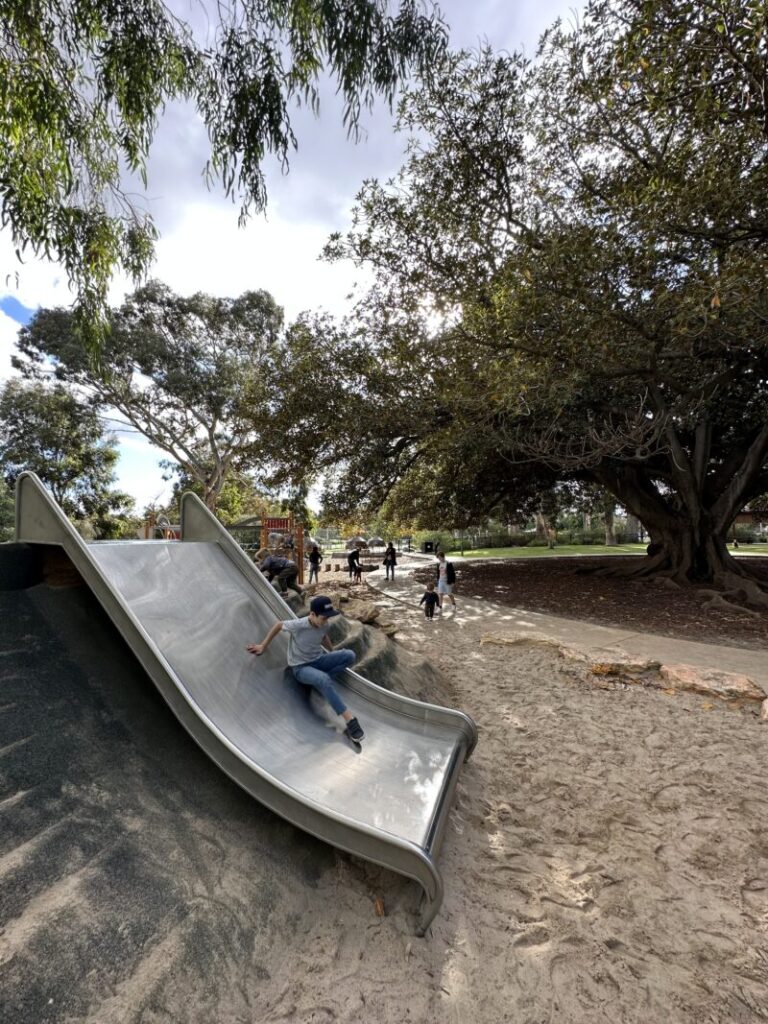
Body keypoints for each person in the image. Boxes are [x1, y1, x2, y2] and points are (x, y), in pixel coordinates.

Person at [247, 595, 365, 741]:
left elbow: (323, 636)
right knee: (323, 679)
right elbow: (278, 625)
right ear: (312, 614)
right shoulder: (299, 625)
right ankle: (350, 719)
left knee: (349, 655)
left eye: (327, 618)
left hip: (318, 660)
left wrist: (332, 652)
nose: (325, 621)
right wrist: (263, 646)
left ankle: (320, 683)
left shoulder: (324, 624)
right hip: (300, 668)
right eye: (323, 618)